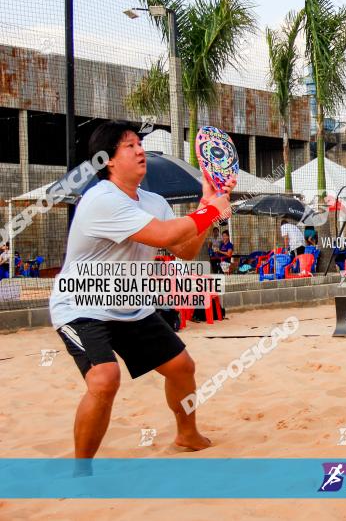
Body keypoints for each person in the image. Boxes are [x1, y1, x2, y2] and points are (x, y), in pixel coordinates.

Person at [49, 121, 234, 461]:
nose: (139, 151)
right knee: (105, 378)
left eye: (139, 144)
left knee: (181, 367)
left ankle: (187, 435)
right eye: (129, 146)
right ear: (108, 161)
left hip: (130, 303)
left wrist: (208, 207)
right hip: (81, 304)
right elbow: (163, 236)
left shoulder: (152, 201)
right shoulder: (101, 199)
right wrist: (209, 209)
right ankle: (81, 469)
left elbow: (185, 250)